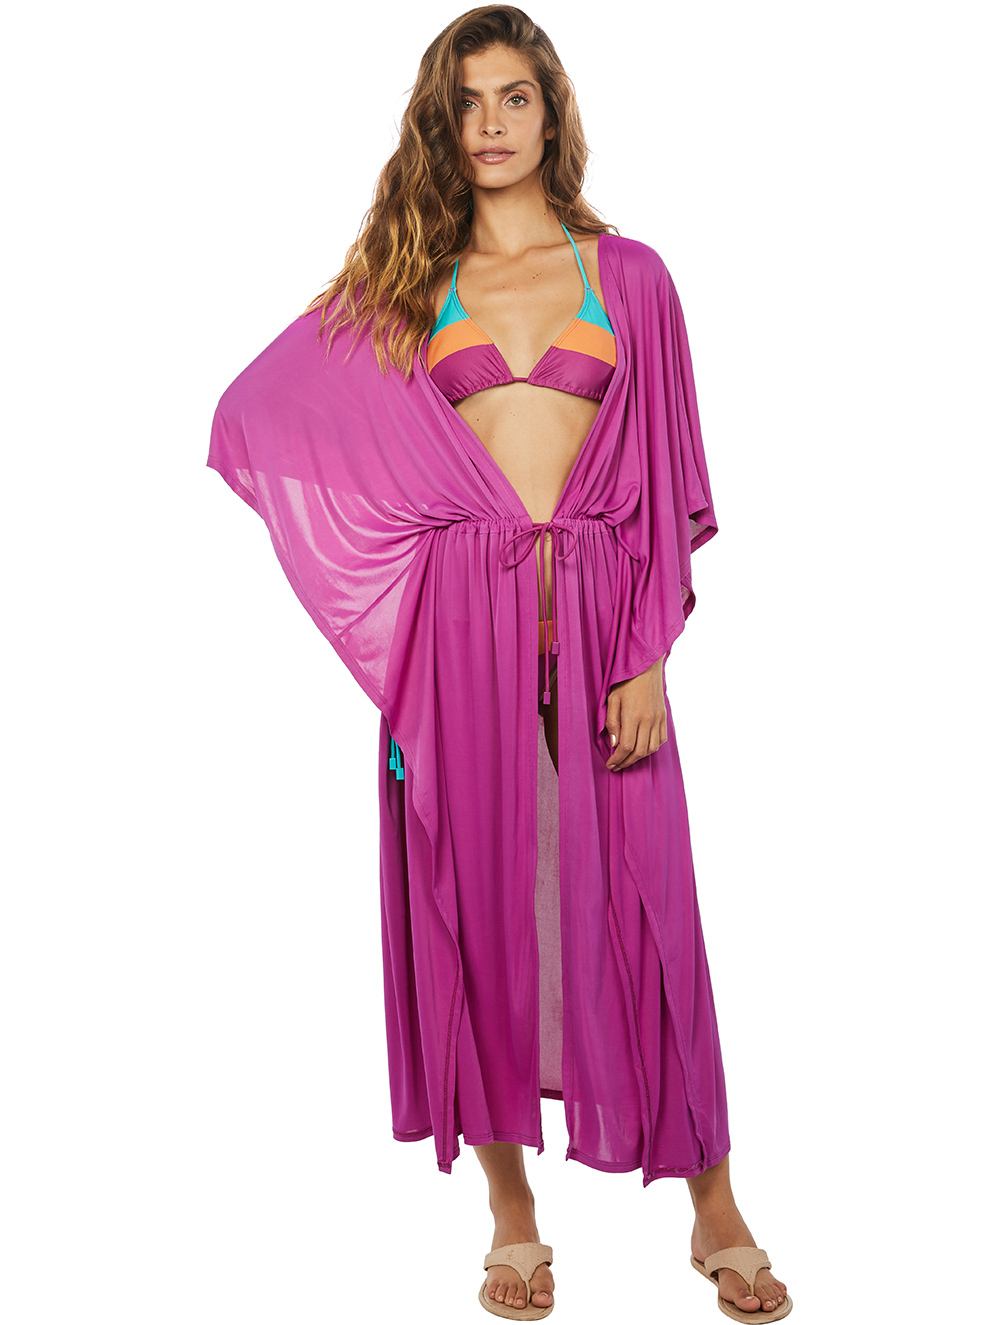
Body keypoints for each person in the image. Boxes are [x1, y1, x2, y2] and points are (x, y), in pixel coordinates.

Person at [207, 6, 790, 1321]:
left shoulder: (628, 275)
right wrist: (420, 548)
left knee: (651, 905)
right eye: (466, 102)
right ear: (440, 122)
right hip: (456, 643)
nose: (490, 125)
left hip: (603, 628)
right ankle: (511, 1212)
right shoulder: (409, 285)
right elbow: (261, 409)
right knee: (471, 913)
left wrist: (648, 651)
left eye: (514, 97)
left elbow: (663, 482)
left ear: (551, 112)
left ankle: (714, 1204)